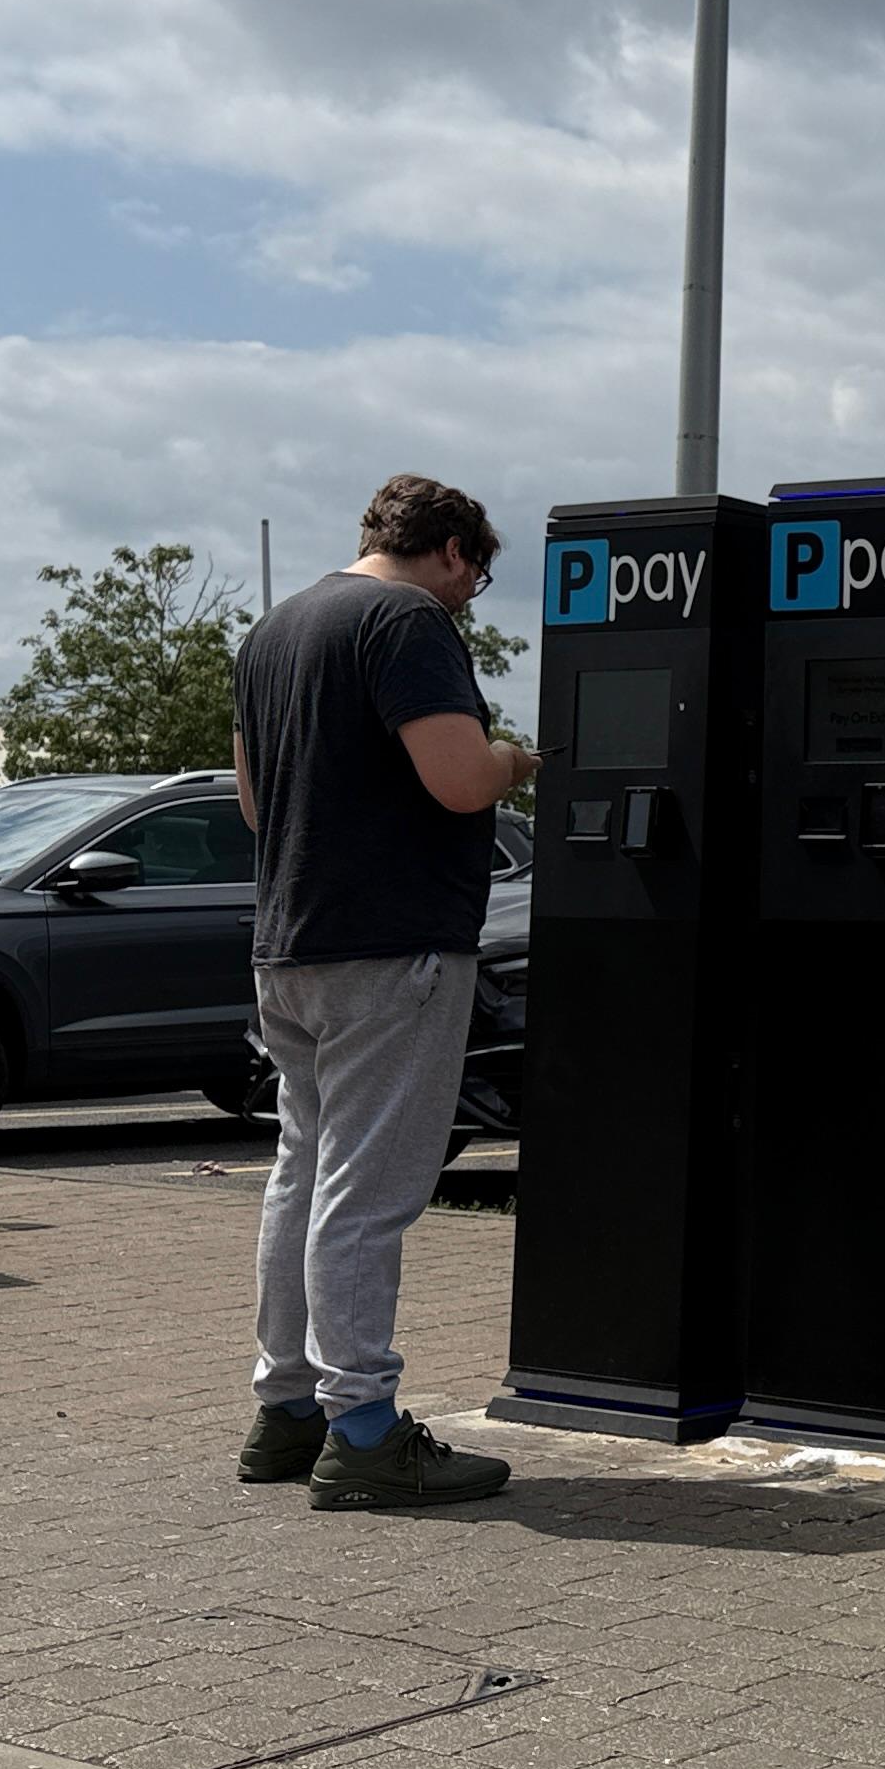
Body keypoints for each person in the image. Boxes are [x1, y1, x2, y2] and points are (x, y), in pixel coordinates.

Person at [228, 475, 542, 1510]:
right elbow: (458, 780)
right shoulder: (407, 620)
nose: (470, 595)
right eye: (478, 576)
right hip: (393, 943)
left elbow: (251, 801)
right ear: (451, 549)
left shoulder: (275, 629)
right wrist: (517, 760)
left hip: (292, 941)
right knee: (366, 1191)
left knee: (303, 1174)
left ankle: (287, 1412)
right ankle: (364, 1428)